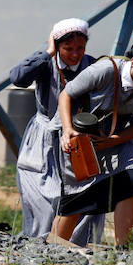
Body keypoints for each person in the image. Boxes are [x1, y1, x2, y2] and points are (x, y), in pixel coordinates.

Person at [52, 36, 133, 247]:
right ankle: (52, 249)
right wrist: (68, 130)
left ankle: (122, 247)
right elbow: (65, 95)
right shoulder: (105, 71)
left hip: (113, 140)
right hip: (78, 136)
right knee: (76, 197)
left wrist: (112, 141)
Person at [10, 18, 104, 244]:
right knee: (41, 196)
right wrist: (48, 53)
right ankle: (39, 245)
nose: (74, 54)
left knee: (83, 194)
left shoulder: (92, 66)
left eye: (79, 48)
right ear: (57, 45)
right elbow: (18, 78)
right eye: (67, 48)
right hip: (43, 139)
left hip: (77, 141)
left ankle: (76, 246)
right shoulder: (46, 64)